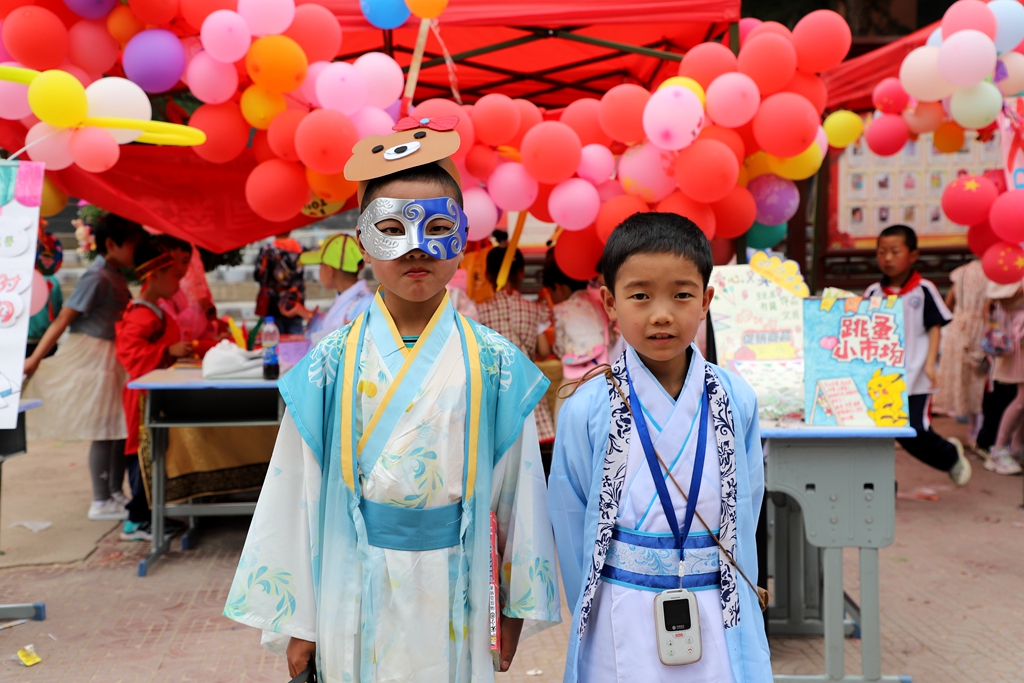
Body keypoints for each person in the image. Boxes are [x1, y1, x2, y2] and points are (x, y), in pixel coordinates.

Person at [223, 119, 560, 683]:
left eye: (436, 227)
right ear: (363, 243)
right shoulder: (330, 362)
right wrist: (300, 621)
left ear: (462, 235)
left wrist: (516, 603)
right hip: (352, 579)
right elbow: (295, 488)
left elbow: (518, 485)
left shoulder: (496, 363)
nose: (415, 249)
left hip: (462, 577)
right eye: (391, 230)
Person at [548, 213, 771, 683]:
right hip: (619, 605)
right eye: (641, 295)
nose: (662, 313)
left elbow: (746, 507)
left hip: (715, 599)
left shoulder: (735, 399)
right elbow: (571, 521)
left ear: (707, 300)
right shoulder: (585, 407)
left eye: (682, 294)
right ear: (610, 302)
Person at [23, 214, 145, 521]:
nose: (135, 251)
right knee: (104, 429)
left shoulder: (114, 273)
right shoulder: (97, 276)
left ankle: (116, 493)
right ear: (110, 244)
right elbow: (64, 318)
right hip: (94, 359)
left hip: (111, 358)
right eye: (131, 245)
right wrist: (36, 358)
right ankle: (101, 499)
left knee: (118, 428)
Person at [115, 241, 214, 540]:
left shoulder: (153, 310)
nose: (179, 280)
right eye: (173, 274)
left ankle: (151, 515)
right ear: (154, 276)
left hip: (154, 393)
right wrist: (166, 350)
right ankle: (137, 519)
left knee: (153, 452)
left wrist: (172, 352)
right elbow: (131, 355)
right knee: (141, 455)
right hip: (141, 396)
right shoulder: (141, 313)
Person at [864, 225, 971, 486]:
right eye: (881, 252)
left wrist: (931, 364)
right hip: (881, 379)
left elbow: (935, 327)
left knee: (914, 430)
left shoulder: (923, 290)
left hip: (916, 376)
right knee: (878, 433)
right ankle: (883, 484)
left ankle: (949, 456)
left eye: (895, 251)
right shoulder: (872, 294)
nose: (887, 258)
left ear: (913, 255)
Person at [477, 246, 555, 452]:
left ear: (487, 274)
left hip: (495, 394)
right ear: (521, 272)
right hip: (528, 390)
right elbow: (545, 351)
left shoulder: (478, 310)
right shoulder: (536, 310)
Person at [543, 258, 609, 419]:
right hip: (604, 369)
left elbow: (559, 347)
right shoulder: (599, 302)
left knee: (566, 416)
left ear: (558, 287)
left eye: (551, 293)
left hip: (574, 377)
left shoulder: (561, 309)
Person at [933, 260, 989, 448]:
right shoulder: (993, 273)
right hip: (980, 327)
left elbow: (948, 303)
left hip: (958, 328)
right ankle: (977, 431)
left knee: (964, 378)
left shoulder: (961, 272)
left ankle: (971, 428)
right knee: (980, 380)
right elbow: (990, 306)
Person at [981, 279, 1024, 475]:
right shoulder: (1009, 270)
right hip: (1018, 345)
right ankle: (998, 450)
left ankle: (1015, 447)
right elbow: (996, 299)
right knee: (1021, 400)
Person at [299, 233, 374, 345]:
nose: (320, 271)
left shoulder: (366, 305)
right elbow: (329, 328)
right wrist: (302, 312)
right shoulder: (349, 297)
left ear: (330, 270)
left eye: (320, 265)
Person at [254, 231, 312, 335]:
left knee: (273, 340)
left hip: (273, 303)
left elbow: (259, 275)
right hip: (295, 302)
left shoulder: (267, 250)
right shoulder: (301, 248)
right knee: (296, 342)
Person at [26, 229, 64, 359]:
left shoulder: (18, 280)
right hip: (47, 340)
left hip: (24, 339)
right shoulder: (53, 282)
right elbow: (59, 311)